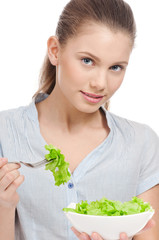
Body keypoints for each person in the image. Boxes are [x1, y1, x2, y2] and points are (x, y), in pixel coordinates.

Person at [0, 0, 159, 239]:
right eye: (87, 61)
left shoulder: (141, 143)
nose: (101, 83)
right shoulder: (5, 132)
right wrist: (4, 206)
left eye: (115, 67)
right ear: (55, 51)